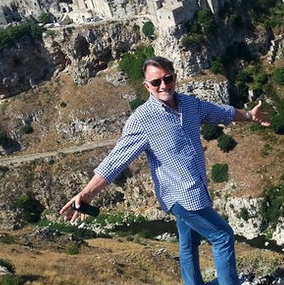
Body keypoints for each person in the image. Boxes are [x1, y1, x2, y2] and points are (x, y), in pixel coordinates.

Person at [60, 56, 270, 285]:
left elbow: (222, 113)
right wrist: (87, 193)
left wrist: (250, 116)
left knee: (188, 242)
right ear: (146, 86)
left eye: (167, 79)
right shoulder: (142, 120)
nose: (163, 85)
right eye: (156, 82)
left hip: (196, 188)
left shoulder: (190, 105)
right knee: (222, 236)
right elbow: (116, 160)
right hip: (178, 195)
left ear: (174, 78)